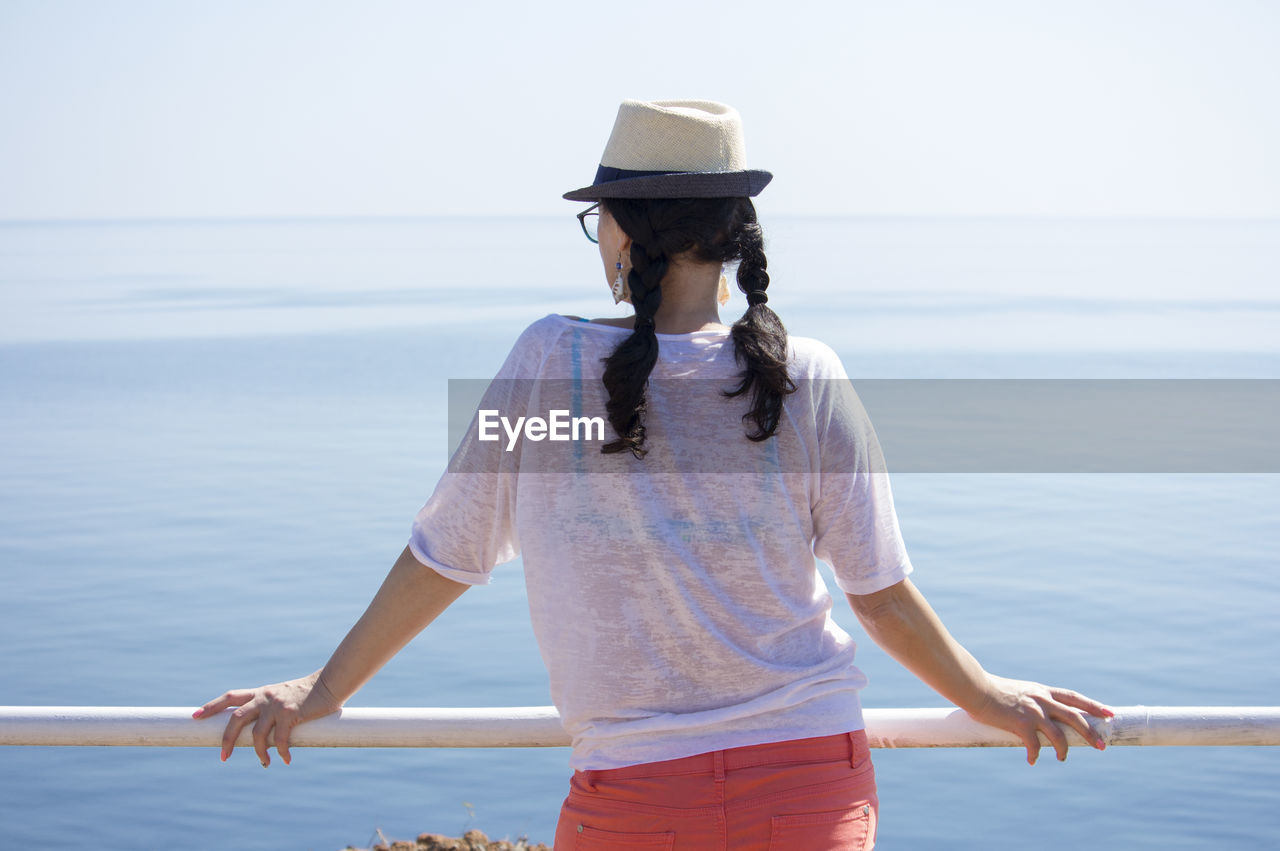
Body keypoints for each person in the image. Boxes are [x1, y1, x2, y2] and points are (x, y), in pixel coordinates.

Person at [195, 99, 1113, 850]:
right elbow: (880, 596)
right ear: (732, 235)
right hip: (811, 786)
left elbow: (447, 553)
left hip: (634, 798)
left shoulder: (548, 365)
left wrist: (322, 689)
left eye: (599, 221)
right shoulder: (809, 377)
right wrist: (987, 694)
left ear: (627, 229)